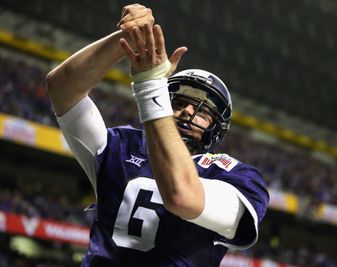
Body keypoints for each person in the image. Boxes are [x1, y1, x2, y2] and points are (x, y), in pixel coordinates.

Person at [46, 3, 269, 267]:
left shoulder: (237, 176)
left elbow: (182, 196)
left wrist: (150, 84)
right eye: (178, 102)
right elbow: (62, 88)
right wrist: (126, 40)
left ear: (216, 127)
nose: (187, 111)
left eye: (202, 110)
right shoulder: (124, 146)